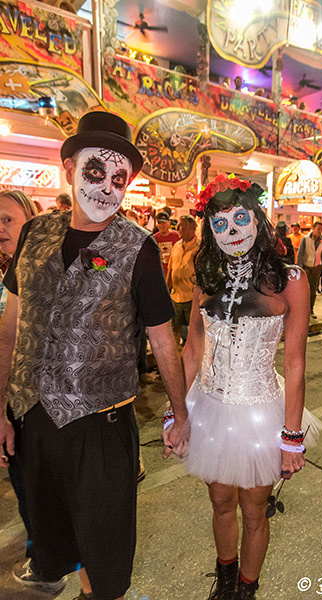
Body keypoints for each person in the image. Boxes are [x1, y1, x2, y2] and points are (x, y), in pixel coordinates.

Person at [0, 111, 187, 600]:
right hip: (31, 418)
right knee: (54, 537)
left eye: (119, 177)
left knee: (105, 554)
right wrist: (1, 409)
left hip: (99, 426)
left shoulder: (139, 248)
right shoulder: (35, 233)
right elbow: (8, 332)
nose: (106, 186)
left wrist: (180, 412)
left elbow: (164, 340)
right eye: (95, 172)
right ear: (69, 166)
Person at [168, 174, 322, 600]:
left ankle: (247, 590)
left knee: (255, 509)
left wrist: (292, 436)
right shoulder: (206, 275)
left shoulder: (289, 278)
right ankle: (225, 580)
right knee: (220, 503)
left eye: (239, 219)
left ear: (257, 217)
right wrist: (177, 413)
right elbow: (193, 349)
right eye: (219, 224)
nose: (231, 231)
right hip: (211, 406)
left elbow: (294, 362)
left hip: (260, 411)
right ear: (209, 230)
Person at [0, 192, 62, 592]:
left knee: (36, 482)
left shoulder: (42, 268)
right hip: (7, 393)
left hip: (35, 395)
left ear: (33, 221)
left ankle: (48, 559)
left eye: (7, 219)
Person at [166, 215, 199, 345]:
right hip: (176, 296)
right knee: (174, 329)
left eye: (182, 227)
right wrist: (166, 290)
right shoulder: (176, 246)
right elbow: (170, 269)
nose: (179, 230)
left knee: (193, 332)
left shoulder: (199, 247)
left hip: (191, 297)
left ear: (192, 229)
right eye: (179, 227)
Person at [296, 221, 322, 319]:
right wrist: (299, 268)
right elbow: (300, 254)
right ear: (313, 228)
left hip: (316, 267)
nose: (320, 231)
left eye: (321, 229)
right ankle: (302, 310)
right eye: (318, 229)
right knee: (305, 291)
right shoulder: (305, 239)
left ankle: (311, 310)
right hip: (306, 267)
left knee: (313, 291)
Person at [154, 211, 180, 276]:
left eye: (164, 222)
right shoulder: (154, 238)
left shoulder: (177, 236)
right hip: (160, 274)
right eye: (159, 223)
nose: (161, 225)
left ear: (169, 223)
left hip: (174, 273)